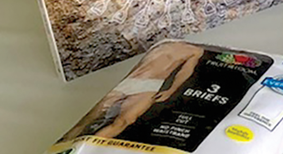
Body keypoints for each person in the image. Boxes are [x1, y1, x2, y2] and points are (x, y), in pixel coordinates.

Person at [59, 42, 205, 143]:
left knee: (126, 120)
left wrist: (171, 90)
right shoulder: (162, 42)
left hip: (151, 84)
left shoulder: (194, 50)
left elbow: (186, 71)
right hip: (131, 79)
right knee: (91, 117)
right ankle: (66, 143)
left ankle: (86, 148)